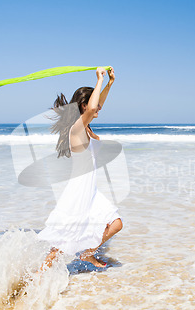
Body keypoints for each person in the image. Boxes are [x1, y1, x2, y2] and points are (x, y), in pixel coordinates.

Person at [38, 66, 123, 269]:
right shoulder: (76, 128)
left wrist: (110, 83)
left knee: (116, 223)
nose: (99, 109)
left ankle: (87, 253)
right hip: (78, 191)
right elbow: (95, 108)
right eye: (93, 105)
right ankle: (36, 277)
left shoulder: (86, 126)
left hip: (90, 189)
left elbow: (97, 104)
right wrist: (99, 78)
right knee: (60, 245)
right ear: (84, 105)